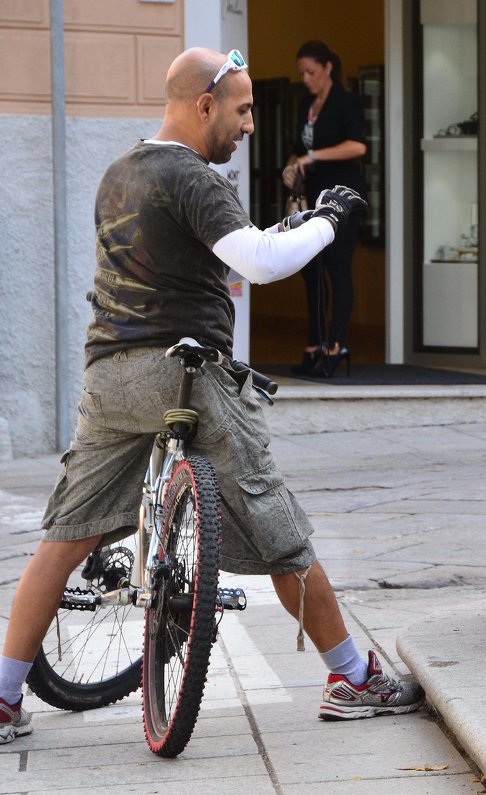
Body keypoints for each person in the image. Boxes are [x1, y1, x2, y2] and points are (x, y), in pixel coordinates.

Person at [0, 47, 421, 746]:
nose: (251, 124)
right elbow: (258, 263)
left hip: (110, 372)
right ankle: (350, 675)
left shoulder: (119, 172)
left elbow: (228, 247)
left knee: (63, 535)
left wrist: (290, 225)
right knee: (274, 517)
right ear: (204, 106)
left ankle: (5, 694)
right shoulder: (191, 175)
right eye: (244, 108)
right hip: (187, 372)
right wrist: (330, 221)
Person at [282, 40, 367, 377]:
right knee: (311, 270)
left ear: (328, 68)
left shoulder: (346, 102)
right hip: (313, 200)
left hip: (344, 199)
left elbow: (357, 145)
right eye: (302, 73)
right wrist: (291, 167)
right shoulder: (306, 105)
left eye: (311, 72)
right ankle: (315, 343)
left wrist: (313, 157)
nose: (305, 78)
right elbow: (296, 149)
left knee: (337, 266)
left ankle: (336, 343)